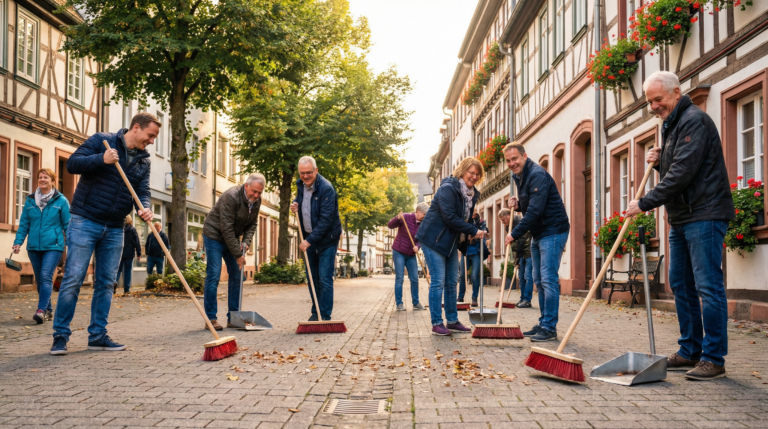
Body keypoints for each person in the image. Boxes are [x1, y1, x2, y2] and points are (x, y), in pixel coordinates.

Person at [625, 71, 734, 381]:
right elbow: (678, 168)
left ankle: (713, 359)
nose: (654, 106)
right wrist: (660, 161)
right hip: (683, 217)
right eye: (649, 101)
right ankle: (690, 350)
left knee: (707, 287)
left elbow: (683, 174)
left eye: (658, 99)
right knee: (680, 284)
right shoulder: (671, 126)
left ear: (676, 92)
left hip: (705, 214)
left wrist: (643, 203)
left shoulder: (693, 120)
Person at [50, 112, 159, 355]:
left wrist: (145, 207)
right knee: (73, 279)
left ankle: (97, 335)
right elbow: (72, 164)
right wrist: (102, 158)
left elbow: (142, 190)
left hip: (115, 226)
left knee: (106, 283)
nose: (151, 141)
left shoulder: (144, 161)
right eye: (150, 135)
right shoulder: (103, 141)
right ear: (136, 128)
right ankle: (60, 336)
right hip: (84, 220)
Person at [505, 142, 570, 342]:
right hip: (538, 232)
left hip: (552, 230)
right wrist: (517, 205)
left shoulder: (537, 175)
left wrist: (514, 234)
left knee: (548, 279)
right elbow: (530, 205)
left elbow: (535, 211)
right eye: (508, 161)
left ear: (524, 156)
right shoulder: (519, 176)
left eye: (515, 158)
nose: (512, 163)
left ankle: (549, 328)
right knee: (539, 280)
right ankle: (544, 323)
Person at [415, 157, 488, 336]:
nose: (474, 176)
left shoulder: (471, 194)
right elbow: (450, 217)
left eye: (477, 174)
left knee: (452, 281)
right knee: (438, 281)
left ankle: (453, 321)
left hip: (450, 241)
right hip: (434, 239)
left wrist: (474, 229)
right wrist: (472, 230)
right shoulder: (448, 188)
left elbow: (465, 218)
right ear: (462, 171)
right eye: (471, 172)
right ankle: (437, 323)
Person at [202, 173, 264, 330]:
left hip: (232, 237)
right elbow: (226, 227)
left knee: (237, 275)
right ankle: (211, 319)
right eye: (254, 191)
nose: (256, 195)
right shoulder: (231, 196)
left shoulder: (256, 201)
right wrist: (238, 255)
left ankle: (233, 318)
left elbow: (252, 224)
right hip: (214, 235)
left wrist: (246, 242)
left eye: (259, 192)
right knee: (214, 275)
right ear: (246, 186)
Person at [12, 168, 70, 324]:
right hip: (34, 247)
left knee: (45, 276)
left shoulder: (61, 200)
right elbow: (24, 223)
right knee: (40, 279)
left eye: (46, 177)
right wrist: (18, 242)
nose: (42, 180)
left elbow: (67, 225)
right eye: (40, 177)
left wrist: (71, 245)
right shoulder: (30, 200)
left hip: (53, 246)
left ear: (52, 181)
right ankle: (48, 310)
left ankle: (40, 310)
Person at [290, 156, 343, 321]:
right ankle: (316, 313)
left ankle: (325, 315)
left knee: (324, 278)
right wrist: (295, 204)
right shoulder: (301, 185)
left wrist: (308, 240)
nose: (305, 176)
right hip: (310, 238)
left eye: (308, 173)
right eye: (302, 173)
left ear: (316, 171)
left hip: (327, 239)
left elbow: (326, 221)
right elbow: (302, 202)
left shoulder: (326, 189)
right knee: (312, 278)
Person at [387, 203, 430, 311]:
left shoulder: (422, 224)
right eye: (424, 214)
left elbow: (421, 239)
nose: (425, 216)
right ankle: (399, 303)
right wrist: (397, 218)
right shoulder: (406, 217)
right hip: (399, 252)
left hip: (411, 254)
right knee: (400, 278)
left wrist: (417, 246)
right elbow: (390, 225)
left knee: (415, 279)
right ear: (418, 211)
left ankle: (416, 303)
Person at [501, 211, 533, 307]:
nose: (503, 222)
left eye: (503, 219)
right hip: (521, 254)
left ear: (509, 215)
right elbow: (515, 245)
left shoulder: (521, 221)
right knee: (521, 277)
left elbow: (521, 241)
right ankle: (522, 298)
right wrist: (516, 260)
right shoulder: (508, 227)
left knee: (528, 276)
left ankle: (527, 300)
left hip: (529, 252)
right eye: (501, 221)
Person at [458, 210, 488, 307]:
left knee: (475, 276)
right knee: (462, 275)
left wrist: (474, 235)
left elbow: (485, 233)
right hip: (465, 252)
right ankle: (460, 297)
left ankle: (474, 298)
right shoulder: (464, 220)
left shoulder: (481, 221)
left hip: (476, 253)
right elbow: (460, 234)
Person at [116, 215, 141, 294]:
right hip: (129, 253)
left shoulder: (119, 229)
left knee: (117, 270)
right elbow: (136, 242)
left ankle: (114, 283)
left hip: (119, 253)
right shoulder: (132, 230)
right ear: (130, 221)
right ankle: (126, 289)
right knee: (127, 271)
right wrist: (139, 253)